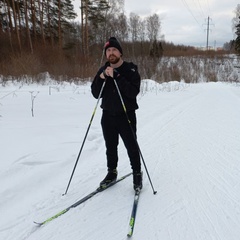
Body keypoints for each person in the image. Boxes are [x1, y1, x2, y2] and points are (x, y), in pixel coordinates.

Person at [91, 37, 142, 191]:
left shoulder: (130, 70)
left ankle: (137, 174)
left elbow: (133, 92)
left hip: (126, 116)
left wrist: (117, 77)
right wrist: (101, 78)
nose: (111, 53)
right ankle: (111, 172)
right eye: (108, 50)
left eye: (114, 50)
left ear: (120, 52)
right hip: (107, 115)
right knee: (110, 146)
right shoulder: (103, 70)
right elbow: (95, 93)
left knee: (131, 146)